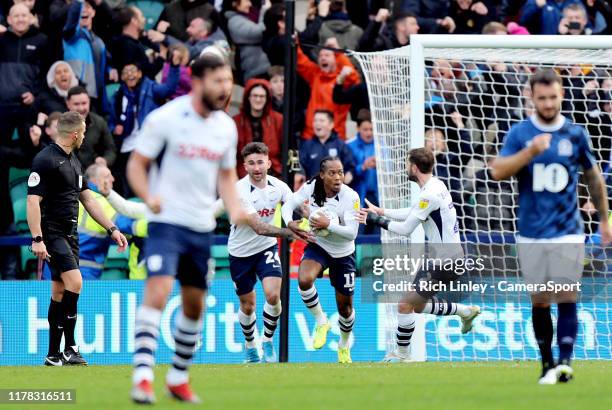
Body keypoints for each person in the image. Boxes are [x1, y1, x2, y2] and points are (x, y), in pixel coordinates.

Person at [127, 54, 247, 404]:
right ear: (197, 81)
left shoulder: (226, 126)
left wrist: (236, 208)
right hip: (167, 223)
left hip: (200, 227)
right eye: (218, 81)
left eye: (228, 80)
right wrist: (148, 197)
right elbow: (137, 164)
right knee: (159, 291)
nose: (226, 88)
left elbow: (226, 175)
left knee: (194, 305)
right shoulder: (167, 118)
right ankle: (143, 377)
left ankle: (178, 377)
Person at [490, 69, 612, 384]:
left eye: (553, 97)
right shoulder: (520, 133)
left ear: (562, 95)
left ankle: (565, 363)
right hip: (530, 230)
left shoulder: (576, 133)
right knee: (541, 299)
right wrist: (530, 151)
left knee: (567, 292)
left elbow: (593, 178)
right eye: (542, 98)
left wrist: (603, 218)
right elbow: (497, 172)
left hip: (567, 227)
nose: (548, 104)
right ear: (532, 98)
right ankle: (547, 365)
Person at [358, 147, 481, 362]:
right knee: (419, 304)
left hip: (447, 262)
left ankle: (402, 354)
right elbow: (414, 212)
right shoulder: (436, 185)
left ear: (414, 167)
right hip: (438, 258)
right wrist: (381, 211)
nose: (406, 168)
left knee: (405, 304)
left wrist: (375, 220)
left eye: (407, 164)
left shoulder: (430, 194)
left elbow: (406, 228)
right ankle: (464, 311)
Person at [27, 111, 128, 367]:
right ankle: (70, 347)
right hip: (53, 232)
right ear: (74, 134)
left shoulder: (74, 160)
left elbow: (88, 199)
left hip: (70, 234)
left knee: (60, 289)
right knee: (76, 282)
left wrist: (111, 228)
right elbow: (32, 201)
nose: (83, 136)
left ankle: (53, 354)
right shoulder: (45, 160)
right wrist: (37, 238)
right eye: (82, 132)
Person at [212, 142, 312, 363]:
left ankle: (267, 340)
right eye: (251, 163)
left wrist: (317, 218)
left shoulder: (278, 186)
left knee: (273, 295)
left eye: (260, 162)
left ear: (268, 162)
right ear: (244, 166)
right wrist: (291, 232)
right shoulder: (239, 190)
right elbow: (259, 227)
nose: (257, 168)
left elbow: (299, 207)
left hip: (265, 248)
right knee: (248, 306)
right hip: (240, 252)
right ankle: (250, 345)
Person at [281, 156, 361, 364]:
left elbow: (351, 233)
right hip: (320, 246)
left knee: (345, 309)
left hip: (344, 253)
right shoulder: (311, 186)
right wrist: (289, 223)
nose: (338, 177)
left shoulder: (350, 197)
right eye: (332, 173)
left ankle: (343, 345)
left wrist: (328, 224)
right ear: (322, 175)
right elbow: (288, 204)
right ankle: (321, 321)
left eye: (341, 172)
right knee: (304, 280)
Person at [109, 53, 181, 197]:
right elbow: (111, 121)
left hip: (146, 144)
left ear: (140, 73)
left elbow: (168, 89)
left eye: (133, 71)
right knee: (129, 188)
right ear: (122, 77)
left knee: (149, 186)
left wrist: (174, 66)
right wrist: (114, 128)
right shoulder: (117, 96)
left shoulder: (150, 88)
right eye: (126, 72)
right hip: (126, 147)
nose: (130, 75)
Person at [296, 37, 360, 140]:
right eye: (320, 55)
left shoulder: (343, 79)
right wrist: (296, 42)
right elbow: (300, 60)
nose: (323, 58)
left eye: (327, 55)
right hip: (310, 135)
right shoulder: (315, 74)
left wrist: (338, 51)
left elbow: (355, 79)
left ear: (336, 60)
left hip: (335, 137)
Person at [63, 0, 114, 115]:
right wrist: (78, 3)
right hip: (77, 93)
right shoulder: (71, 36)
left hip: (95, 94)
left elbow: (104, 62)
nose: (84, 9)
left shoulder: (99, 41)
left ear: (93, 13)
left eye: (88, 6)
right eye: (82, 7)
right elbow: (70, 25)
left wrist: (110, 69)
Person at [233, 79, 283, 178]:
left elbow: (287, 150)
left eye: (262, 96)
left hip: (272, 174)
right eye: (255, 96)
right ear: (248, 97)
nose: (258, 99)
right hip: (243, 175)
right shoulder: (236, 121)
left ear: (267, 99)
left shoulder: (278, 120)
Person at [296, 110, 355, 190]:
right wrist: (299, 174)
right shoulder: (307, 145)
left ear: (331, 125)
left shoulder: (341, 145)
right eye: (315, 120)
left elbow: (350, 167)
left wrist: (349, 175)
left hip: (336, 193)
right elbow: (300, 165)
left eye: (321, 120)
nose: (317, 123)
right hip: (313, 192)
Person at [65, 86, 116, 169]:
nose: (81, 108)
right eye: (76, 104)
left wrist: (105, 160)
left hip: (93, 174)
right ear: (68, 104)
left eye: (84, 103)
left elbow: (111, 149)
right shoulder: (59, 124)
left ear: (89, 102)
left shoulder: (100, 122)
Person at [223, 0, 271, 82]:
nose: (250, 4)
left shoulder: (251, 15)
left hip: (267, 67)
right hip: (256, 71)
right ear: (234, 3)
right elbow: (259, 33)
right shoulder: (234, 21)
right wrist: (265, 12)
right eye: (246, 1)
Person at [347, 110, 377, 209]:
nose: (369, 133)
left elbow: (390, 169)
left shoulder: (381, 145)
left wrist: (380, 166)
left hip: (378, 197)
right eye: (365, 129)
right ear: (358, 128)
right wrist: (363, 167)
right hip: (358, 196)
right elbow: (346, 174)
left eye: (371, 129)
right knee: (359, 224)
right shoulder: (349, 146)